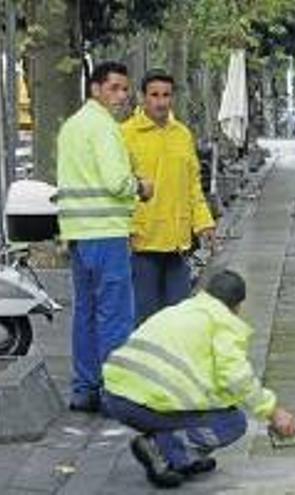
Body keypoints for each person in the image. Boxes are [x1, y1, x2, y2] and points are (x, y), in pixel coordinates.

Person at [102, 270, 295, 488]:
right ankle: (163, 451)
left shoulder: (182, 309)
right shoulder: (222, 322)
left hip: (115, 395)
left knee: (214, 410)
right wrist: (272, 412)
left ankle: (183, 458)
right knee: (231, 422)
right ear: (237, 306)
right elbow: (237, 378)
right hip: (144, 402)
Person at [56, 61, 154, 413]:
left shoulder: (71, 127)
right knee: (114, 316)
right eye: (114, 88)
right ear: (95, 89)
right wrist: (141, 187)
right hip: (107, 234)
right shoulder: (104, 128)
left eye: (125, 89)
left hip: (78, 236)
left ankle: (85, 388)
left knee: (85, 314)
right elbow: (116, 182)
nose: (122, 96)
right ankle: (116, 393)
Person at [122, 69, 216, 325]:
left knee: (179, 315)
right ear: (142, 98)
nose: (161, 102)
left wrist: (204, 223)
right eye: (154, 95)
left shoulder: (182, 134)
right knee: (145, 316)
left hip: (178, 243)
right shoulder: (125, 135)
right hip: (142, 241)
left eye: (166, 95)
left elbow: (193, 185)